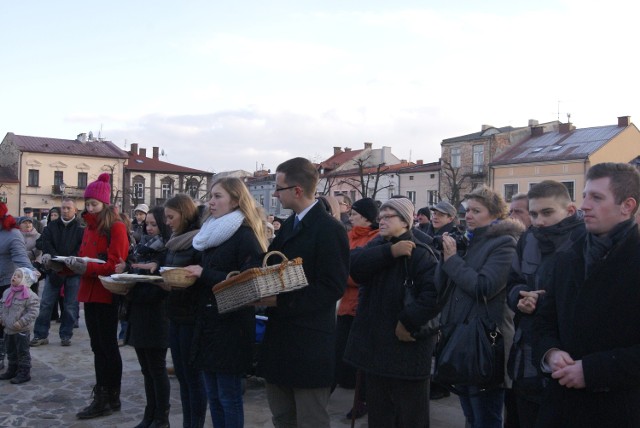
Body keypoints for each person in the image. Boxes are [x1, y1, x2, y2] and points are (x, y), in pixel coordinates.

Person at [534, 163, 640, 428]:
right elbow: (544, 320)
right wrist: (551, 353)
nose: (584, 205)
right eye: (584, 195)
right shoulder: (569, 256)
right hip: (561, 407)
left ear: (627, 205)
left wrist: (593, 371)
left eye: (596, 197)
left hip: (619, 410)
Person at [257, 157, 350, 428]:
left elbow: (332, 287)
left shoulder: (329, 229)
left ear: (297, 190)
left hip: (310, 342)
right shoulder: (290, 225)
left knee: (310, 420)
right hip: (281, 339)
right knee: (282, 417)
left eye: (279, 188)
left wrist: (280, 300)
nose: (274, 194)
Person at [343, 197, 439, 427]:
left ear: (405, 221)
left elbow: (433, 296)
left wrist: (406, 321)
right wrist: (390, 252)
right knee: (380, 415)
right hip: (376, 348)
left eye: (389, 217)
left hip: (407, 350)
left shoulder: (422, 251)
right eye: (381, 217)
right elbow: (353, 266)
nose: (382, 221)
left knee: (410, 416)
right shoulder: (378, 245)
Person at [436, 185, 524, 428]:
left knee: (485, 416)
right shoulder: (470, 241)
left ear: (495, 214)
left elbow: (483, 287)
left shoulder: (505, 243)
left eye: (477, 210)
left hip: (486, 341)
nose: (469, 216)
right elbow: (443, 287)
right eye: (467, 210)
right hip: (461, 336)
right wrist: (446, 257)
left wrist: (453, 261)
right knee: (471, 415)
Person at [184, 177, 267, 428]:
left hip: (231, 325)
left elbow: (250, 282)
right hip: (208, 322)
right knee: (214, 396)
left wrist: (203, 274)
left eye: (218, 196)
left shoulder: (244, 236)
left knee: (228, 397)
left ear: (235, 200)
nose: (211, 201)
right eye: (211, 195)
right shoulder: (211, 232)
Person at [506, 180, 585, 428]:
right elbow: (513, 283)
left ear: (570, 210)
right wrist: (520, 297)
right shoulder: (527, 239)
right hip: (525, 354)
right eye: (534, 213)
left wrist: (544, 301)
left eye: (547, 212)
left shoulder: (585, 242)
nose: (539, 221)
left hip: (564, 356)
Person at [64, 173, 130, 420]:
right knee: (97, 346)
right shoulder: (89, 228)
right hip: (90, 293)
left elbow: (116, 264)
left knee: (107, 347)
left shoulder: (116, 227)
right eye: (88, 203)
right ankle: (106, 395)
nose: (89, 207)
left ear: (104, 204)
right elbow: (85, 258)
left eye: (94, 204)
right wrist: (65, 265)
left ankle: (108, 396)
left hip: (106, 292)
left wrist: (86, 267)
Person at [120, 205, 172, 428]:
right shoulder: (141, 247)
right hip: (139, 312)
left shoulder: (166, 251)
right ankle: (150, 414)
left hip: (156, 315)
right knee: (146, 369)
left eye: (154, 224)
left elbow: (161, 286)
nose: (149, 228)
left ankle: (161, 417)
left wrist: (133, 288)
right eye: (147, 224)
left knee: (157, 368)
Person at [334, 197, 379, 420]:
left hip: (363, 306)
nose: (349, 218)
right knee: (339, 351)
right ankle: (327, 390)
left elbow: (363, 272)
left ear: (366, 218)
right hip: (345, 304)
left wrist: (342, 276)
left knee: (362, 358)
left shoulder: (376, 238)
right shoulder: (348, 237)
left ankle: (363, 401)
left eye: (354, 214)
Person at [164, 193, 206, 428]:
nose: (168, 222)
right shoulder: (174, 240)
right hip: (175, 312)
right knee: (181, 375)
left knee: (193, 377)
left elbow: (201, 275)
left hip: (191, 314)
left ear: (185, 214)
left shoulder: (199, 241)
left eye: (171, 217)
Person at [31, 198, 84, 347]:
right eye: (63, 208)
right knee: (46, 303)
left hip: (73, 271)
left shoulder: (81, 228)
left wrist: (74, 256)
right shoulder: (52, 226)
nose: (65, 211)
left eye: (68, 208)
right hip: (54, 270)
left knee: (70, 305)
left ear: (75, 210)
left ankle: (66, 335)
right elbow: (41, 242)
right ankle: (40, 335)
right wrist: (51, 255)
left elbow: (83, 246)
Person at [0, 202, 33, 370]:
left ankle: (16, 363)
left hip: (5, 285)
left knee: (8, 326)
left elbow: (21, 258)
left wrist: (31, 273)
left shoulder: (12, 234)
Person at [0, 267, 40, 384]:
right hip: (8, 328)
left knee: (22, 351)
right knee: (10, 350)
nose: (14, 277)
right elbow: (2, 305)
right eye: (14, 275)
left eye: (18, 276)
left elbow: (33, 312)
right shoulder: (7, 292)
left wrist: (21, 322)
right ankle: (12, 369)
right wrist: (1, 317)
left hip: (21, 330)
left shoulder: (30, 296)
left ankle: (24, 372)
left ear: (25, 280)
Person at [18, 217, 43, 293]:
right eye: (25, 223)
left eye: (29, 222)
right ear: (19, 225)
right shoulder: (16, 236)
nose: (28, 224)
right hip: (19, 267)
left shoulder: (38, 236)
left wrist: (24, 254)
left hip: (33, 266)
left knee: (33, 290)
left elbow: (38, 250)